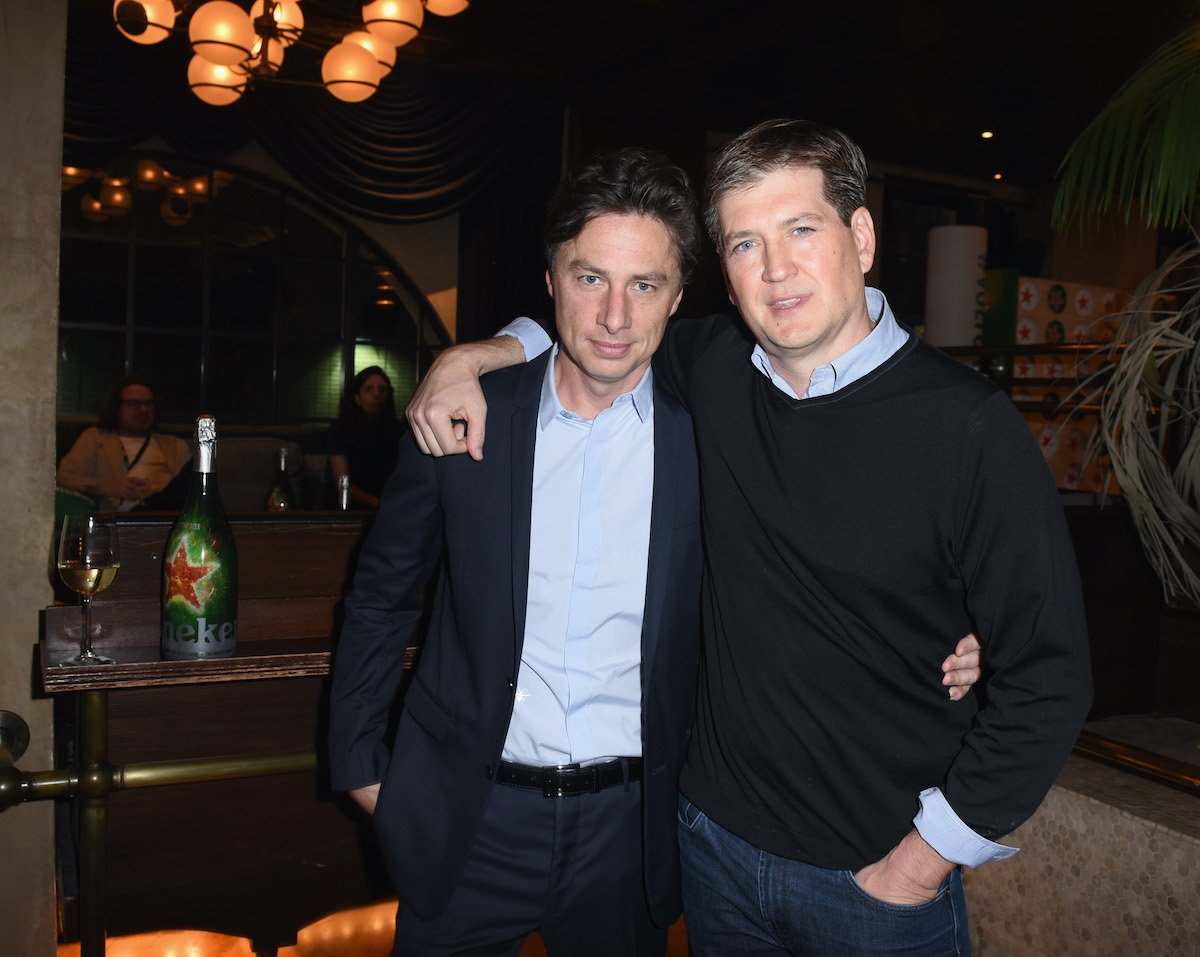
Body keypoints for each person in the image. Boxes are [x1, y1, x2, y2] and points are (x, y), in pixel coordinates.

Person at [405, 119, 1091, 956]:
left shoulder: (969, 428)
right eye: (744, 243)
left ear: (861, 236)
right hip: (713, 856)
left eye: (801, 229)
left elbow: (1050, 681)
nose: (776, 269)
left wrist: (921, 862)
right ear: (723, 278)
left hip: (875, 885)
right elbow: (603, 322)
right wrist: (478, 353)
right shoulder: (713, 369)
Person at [58, 375, 191, 512]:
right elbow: (66, 477)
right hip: (118, 515)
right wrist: (108, 486)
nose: (143, 410)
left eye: (148, 404)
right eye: (134, 403)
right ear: (117, 409)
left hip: (163, 512)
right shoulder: (95, 438)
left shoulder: (174, 445)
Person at [327, 365, 404, 509]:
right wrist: (376, 503)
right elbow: (342, 482)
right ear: (357, 398)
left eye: (382, 389)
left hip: (391, 506)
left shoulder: (398, 431)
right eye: (369, 389)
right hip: (347, 508)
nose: (377, 394)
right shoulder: (340, 430)